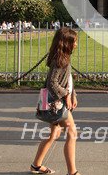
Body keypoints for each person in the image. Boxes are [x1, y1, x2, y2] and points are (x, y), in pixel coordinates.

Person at [31, 27, 79, 175]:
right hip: (58, 104)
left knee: (55, 134)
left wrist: (73, 94)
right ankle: (73, 172)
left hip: (58, 102)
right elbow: (52, 83)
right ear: (67, 43)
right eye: (75, 42)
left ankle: (36, 165)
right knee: (72, 133)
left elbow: (66, 80)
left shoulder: (62, 57)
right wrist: (66, 96)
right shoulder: (60, 60)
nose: (76, 44)